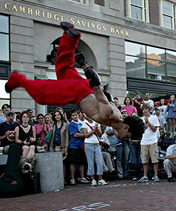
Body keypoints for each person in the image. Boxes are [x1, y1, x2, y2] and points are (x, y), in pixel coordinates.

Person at [5, 22, 144, 141]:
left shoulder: (117, 114)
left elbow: (107, 97)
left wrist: (84, 65)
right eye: (128, 136)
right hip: (78, 92)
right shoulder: (109, 115)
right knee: (41, 96)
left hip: (83, 89)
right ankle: (17, 79)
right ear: (126, 127)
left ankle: (71, 38)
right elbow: (99, 91)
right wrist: (87, 69)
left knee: (62, 68)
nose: (125, 138)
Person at [82, 114, 108, 186]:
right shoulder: (85, 123)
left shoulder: (96, 123)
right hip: (88, 144)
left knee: (99, 162)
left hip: (97, 144)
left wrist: (97, 129)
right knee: (90, 162)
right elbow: (86, 135)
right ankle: (92, 179)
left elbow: (100, 134)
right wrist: (93, 130)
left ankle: (100, 178)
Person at [138, 104, 161, 183]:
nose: (144, 110)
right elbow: (141, 130)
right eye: (143, 109)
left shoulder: (154, 117)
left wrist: (148, 123)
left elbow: (154, 129)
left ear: (149, 109)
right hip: (144, 141)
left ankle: (156, 175)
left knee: (154, 159)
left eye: (146, 109)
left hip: (153, 141)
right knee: (144, 160)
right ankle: (145, 176)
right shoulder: (141, 119)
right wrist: (144, 124)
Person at [68, 109, 89, 185]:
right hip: (74, 146)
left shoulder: (82, 123)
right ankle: (72, 178)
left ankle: (82, 177)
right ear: (71, 117)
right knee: (73, 162)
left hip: (82, 146)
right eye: (73, 115)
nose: (75, 116)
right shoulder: (71, 125)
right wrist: (86, 135)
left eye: (76, 115)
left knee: (82, 162)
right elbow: (75, 134)